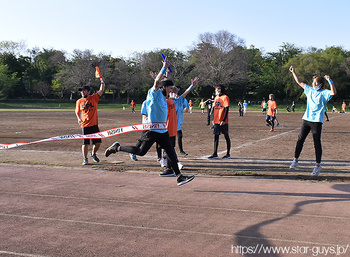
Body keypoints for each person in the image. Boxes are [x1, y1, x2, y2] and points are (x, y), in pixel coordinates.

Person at [104, 57, 196, 186]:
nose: (171, 90)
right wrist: (164, 68)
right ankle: (117, 148)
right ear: (163, 88)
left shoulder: (165, 98)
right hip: (152, 130)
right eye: (170, 88)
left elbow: (166, 85)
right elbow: (157, 82)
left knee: (171, 152)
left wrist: (169, 77)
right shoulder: (155, 93)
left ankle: (179, 176)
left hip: (163, 130)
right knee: (140, 151)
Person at [289, 66, 336, 176]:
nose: (314, 84)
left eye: (316, 83)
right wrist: (294, 72)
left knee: (316, 143)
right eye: (313, 82)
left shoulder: (324, 92)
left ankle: (318, 165)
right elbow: (299, 82)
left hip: (317, 121)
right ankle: (295, 160)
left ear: (320, 84)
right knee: (300, 139)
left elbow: (333, 92)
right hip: (306, 119)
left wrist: (330, 81)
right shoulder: (309, 90)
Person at [75, 78, 105, 165]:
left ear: (89, 92)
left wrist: (102, 82)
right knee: (85, 143)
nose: (82, 92)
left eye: (84, 91)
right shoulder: (79, 101)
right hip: (85, 125)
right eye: (81, 91)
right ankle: (85, 158)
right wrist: (78, 118)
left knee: (98, 142)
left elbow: (101, 90)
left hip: (94, 124)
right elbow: (77, 112)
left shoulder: (94, 98)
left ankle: (93, 153)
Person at [208, 84, 231, 159]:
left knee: (226, 136)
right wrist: (213, 119)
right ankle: (215, 153)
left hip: (223, 121)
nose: (216, 91)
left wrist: (224, 120)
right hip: (216, 121)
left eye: (217, 89)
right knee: (216, 136)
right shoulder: (216, 98)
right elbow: (214, 109)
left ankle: (228, 154)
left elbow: (226, 109)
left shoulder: (225, 97)